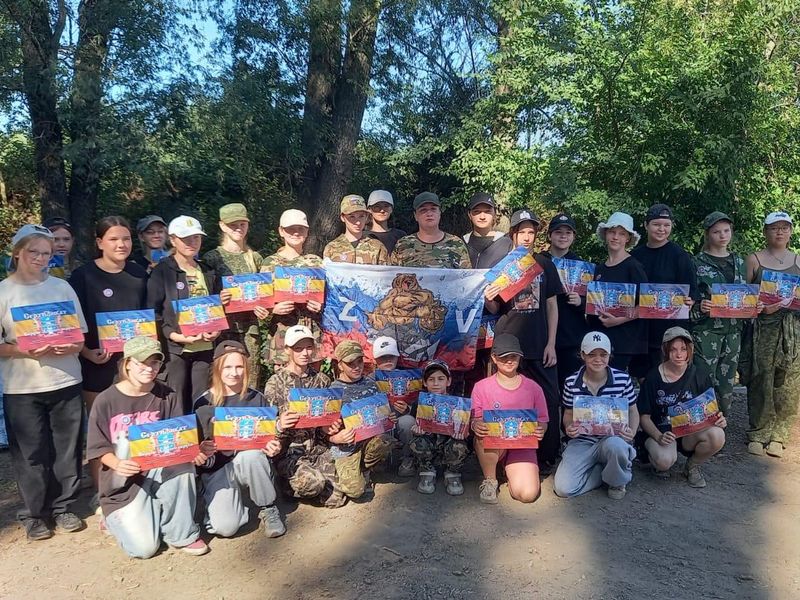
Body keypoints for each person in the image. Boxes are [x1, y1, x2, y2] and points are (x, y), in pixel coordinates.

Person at [0, 224, 88, 540]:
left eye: (46, 253)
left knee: (67, 449)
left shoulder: (62, 288)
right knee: (31, 453)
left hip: (65, 379)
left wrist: (71, 345)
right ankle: (34, 514)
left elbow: (80, 338)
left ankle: (63, 507)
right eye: (33, 251)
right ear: (17, 252)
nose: (40, 258)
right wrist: (20, 349)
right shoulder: (3, 292)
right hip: (22, 387)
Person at [87, 336, 208, 558]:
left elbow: (178, 437)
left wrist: (194, 451)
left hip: (159, 471)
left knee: (183, 467)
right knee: (145, 549)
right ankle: (113, 518)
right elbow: (97, 447)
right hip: (124, 484)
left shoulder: (168, 394)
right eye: (142, 362)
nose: (149, 368)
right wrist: (117, 463)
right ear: (127, 364)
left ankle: (181, 534)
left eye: (155, 362)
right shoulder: (106, 400)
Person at [484, 208, 562, 469]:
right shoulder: (503, 267)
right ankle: (503, 456)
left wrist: (551, 343)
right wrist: (488, 297)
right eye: (522, 232)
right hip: (508, 343)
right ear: (513, 234)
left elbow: (552, 306)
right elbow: (495, 310)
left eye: (531, 232)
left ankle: (547, 455)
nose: (527, 237)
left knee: (549, 401)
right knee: (505, 402)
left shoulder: (544, 263)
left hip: (540, 345)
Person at [193, 340, 285, 539]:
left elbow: (268, 438)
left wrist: (272, 446)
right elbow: (196, 451)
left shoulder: (256, 398)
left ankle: (268, 506)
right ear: (217, 368)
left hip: (247, 461)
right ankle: (221, 505)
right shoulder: (202, 403)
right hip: (217, 468)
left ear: (246, 368)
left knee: (253, 456)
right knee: (226, 528)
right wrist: (201, 451)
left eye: (239, 366)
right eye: (227, 367)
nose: (234, 372)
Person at [69, 216, 148, 414]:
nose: (121, 244)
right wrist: (86, 352)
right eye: (113, 239)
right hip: (97, 361)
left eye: (126, 238)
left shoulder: (139, 274)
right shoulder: (83, 276)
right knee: (102, 424)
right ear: (99, 243)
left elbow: (150, 315)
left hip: (134, 362)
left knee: (134, 425)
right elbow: (71, 322)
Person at [263, 325, 343, 507]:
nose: (304, 353)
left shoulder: (322, 380)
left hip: (319, 450)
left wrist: (329, 427)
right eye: (298, 348)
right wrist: (279, 424)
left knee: (338, 496)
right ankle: (285, 483)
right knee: (313, 484)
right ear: (287, 350)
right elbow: (265, 428)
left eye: (308, 347)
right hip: (289, 454)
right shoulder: (275, 383)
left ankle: (312, 481)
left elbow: (330, 417)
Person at [147, 215, 221, 412]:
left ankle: (203, 441)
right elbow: (153, 312)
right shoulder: (162, 271)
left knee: (203, 401)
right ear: (173, 240)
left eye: (196, 237)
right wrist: (174, 335)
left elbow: (216, 308)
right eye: (185, 238)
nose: (192, 242)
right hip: (175, 351)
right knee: (175, 401)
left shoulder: (207, 271)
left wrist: (216, 330)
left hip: (204, 349)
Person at [553, 332, 638, 500]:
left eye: (603, 354)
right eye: (592, 354)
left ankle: (617, 481)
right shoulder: (571, 382)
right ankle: (604, 472)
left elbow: (633, 410)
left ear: (610, 355)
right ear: (582, 355)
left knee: (616, 446)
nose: (598, 359)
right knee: (563, 489)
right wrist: (569, 427)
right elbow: (568, 413)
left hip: (613, 437)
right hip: (582, 440)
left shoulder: (622, 379)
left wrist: (633, 431)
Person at [637, 327, 726, 487]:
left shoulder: (700, 375)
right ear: (665, 350)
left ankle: (692, 466)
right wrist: (658, 436)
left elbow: (711, 410)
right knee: (664, 461)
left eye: (683, 349)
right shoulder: (653, 377)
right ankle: (651, 455)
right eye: (673, 349)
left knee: (717, 435)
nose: (679, 355)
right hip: (663, 432)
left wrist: (718, 419)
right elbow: (644, 416)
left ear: (690, 351)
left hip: (689, 432)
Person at [742, 211, 800, 457]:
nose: (779, 232)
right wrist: (758, 306)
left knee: (789, 381)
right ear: (765, 231)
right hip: (763, 328)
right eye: (774, 227)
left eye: (784, 227)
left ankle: (780, 434)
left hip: (792, 328)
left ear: (790, 231)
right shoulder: (754, 259)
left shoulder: (798, 259)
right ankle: (758, 431)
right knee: (761, 376)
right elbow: (743, 297)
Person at [470, 334, 548, 504]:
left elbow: (543, 419)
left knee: (527, 495)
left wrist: (541, 429)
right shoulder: (481, 387)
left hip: (522, 446)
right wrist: (476, 424)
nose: (509, 360)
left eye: (513, 356)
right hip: (493, 444)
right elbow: (476, 418)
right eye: (503, 357)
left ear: (520, 357)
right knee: (483, 436)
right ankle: (490, 479)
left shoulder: (534, 388)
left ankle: (510, 470)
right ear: (494, 358)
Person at [690, 212, 751, 416]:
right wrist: (700, 306)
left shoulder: (741, 262)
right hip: (707, 331)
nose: (722, 235)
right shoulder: (696, 263)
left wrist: (754, 305)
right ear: (708, 234)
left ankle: (721, 424)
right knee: (703, 378)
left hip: (734, 330)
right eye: (717, 232)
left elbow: (748, 295)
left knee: (726, 384)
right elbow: (687, 299)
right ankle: (699, 425)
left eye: (726, 231)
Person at [202, 203, 265, 388]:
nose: (238, 228)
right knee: (222, 381)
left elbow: (265, 294)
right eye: (233, 225)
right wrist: (217, 300)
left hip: (250, 331)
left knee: (249, 381)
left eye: (242, 224)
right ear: (222, 225)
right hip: (223, 331)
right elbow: (203, 297)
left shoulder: (255, 258)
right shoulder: (212, 258)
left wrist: (264, 309)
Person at [630, 204, 697, 377]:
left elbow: (691, 293)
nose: (661, 229)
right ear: (646, 225)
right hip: (641, 332)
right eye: (656, 224)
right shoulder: (635, 256)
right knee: (644, 382)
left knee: (670, 381)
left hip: (669, 333)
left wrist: (690, 302)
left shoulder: (679, 255)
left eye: (666, 225)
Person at [328, 340, 395, 502]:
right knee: (355, 492)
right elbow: (326, 429)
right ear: (340, 365)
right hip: (346, 447)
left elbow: (382, 413)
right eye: (351, 363)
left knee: (386, 441)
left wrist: (389, 418)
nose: (357, 366)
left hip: (368, 441)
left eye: (360, 361)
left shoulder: (371, 385)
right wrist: (334, 437)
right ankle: (347, 473)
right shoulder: (333, 391)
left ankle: (365, 469)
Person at [260, 209, 324, 368]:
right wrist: (273, 309)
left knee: (313, 384)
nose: (296, 233)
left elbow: (328, 299)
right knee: (284, 383)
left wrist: (320, 307)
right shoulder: (270, 263)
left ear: (307, 231)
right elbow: (260, 304)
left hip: (311, 330)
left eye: (301, 228)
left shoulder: (315, 263)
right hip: (283, 331)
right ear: (281, 231)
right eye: (290, 229)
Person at [587, 212, 649, 372]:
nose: (616, 237)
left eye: (622, 234)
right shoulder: (599, 269)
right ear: (606, 234)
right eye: (612, 232)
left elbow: (647, 305)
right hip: (599, 341)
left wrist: (618, 320)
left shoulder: (634, 267)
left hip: (623, 343)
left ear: (628, 238)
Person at [542, 213, 589, 388]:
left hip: (572, 339)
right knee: (549, 392)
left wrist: (581, 302)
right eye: (558, 232)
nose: (563, 236)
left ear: (574, 237)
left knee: (571, 390)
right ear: (549, 235)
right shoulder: (540, 261)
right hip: (544, 337)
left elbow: (595, 304)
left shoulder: (582, 266)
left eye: (568, 233)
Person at [409, 359, 469, 495]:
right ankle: (427, 470)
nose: (436, 383)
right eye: (431, 379)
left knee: (459, 444)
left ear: (448, 381)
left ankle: (452, 472)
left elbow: (464, 428)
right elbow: (415, 424)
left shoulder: (459, 404)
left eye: (441, 379)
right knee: (417, 441)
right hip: (429, 446)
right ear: (425, 383)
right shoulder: (419, 403)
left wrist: (461, 434)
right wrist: (416, 430)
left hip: (448, 446)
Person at [372, 335, 416, 477]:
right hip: (378, 426)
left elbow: (422, 406)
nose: (388, 360)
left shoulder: (410, 378)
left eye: (391, 356)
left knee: (408, 421)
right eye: (383, 357)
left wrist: (409, 409)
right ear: (375, 359)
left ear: (398, 357)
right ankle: (378, 459)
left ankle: (408, 459)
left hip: (400, 423)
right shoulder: (367, 380)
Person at [391, 192, 471, 269]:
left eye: (433, 209)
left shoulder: (456, 244)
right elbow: (392, 278)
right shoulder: (403, 245)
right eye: (423, 210)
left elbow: (467, 278)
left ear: (439, 213)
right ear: (415, 216)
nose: (429, 214)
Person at [323, 194, 389, 264]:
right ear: (342, 217)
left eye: (361, 216)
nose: (357, 222)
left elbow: (387, 273)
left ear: (366, 217)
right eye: (352, 217)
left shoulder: (377, 247)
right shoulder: (332, 248)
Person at [463, 193, 513, 269]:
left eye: (487, 212)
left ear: (494, 214)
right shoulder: (460, 244)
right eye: (477, 212)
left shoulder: (507, 244)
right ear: (469, 215)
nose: (482, 217)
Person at [367, 190, 406, 254]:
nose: (382, 210)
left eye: (386, 206)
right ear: (369, 209)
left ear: (391, 209)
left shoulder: (401, 236)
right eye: (377, 206)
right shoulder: (363, 236)